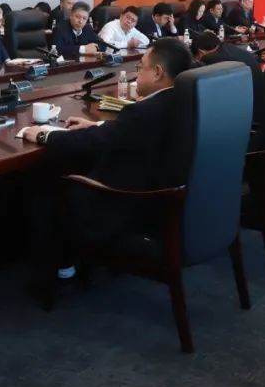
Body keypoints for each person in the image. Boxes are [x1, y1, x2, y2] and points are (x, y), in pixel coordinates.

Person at [22, 39, 193, 278]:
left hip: (127, 202)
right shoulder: (182, 99)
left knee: (47, 188)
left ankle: (57, 269)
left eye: (140, 67)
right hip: (162, 193)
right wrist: (97, 125)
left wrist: (44, 136)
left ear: (157, 73)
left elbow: (94, 142)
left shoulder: (145, 111)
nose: (136, 73)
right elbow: (126, 133)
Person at [191, 31, 265, 125]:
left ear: (200, 52)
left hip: (244, 116)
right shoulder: (232, 49)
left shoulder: (211, 59)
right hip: (258, 108)